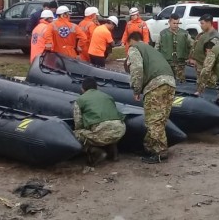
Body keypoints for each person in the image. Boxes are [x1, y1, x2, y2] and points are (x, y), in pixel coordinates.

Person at [127, 31, 176, 164]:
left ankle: (160, 152)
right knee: (160, 119)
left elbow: (136, 69)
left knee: (152, 121)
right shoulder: (151, 49)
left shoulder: (134, 48)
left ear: (131, 40)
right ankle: (149, 148)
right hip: (170, 82)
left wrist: (136, 89)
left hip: (155, 85)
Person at [73, 76, 126, 165]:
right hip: (120, 130)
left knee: (77, 133)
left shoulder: (79, 100)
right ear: (97, 87)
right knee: (110, 126)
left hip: (102, 133)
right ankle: (114, 153)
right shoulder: (107, 96)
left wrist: (84, 130)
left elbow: (78, 123)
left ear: (82, 89)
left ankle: (98, 153)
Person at [155, 13, 193, 83]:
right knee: (167, 83)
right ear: (169, 22)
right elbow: (157, 48)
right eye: (174, 23)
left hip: (180, 64)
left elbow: (192, 45)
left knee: (181, 84)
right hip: (167, 64)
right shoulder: (162, 34)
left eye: (177, 23)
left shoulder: (185, 34)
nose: (176, 25)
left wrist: (190, 57)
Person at [189, 14, 219, 79]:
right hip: (199, 66)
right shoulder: (202, 34)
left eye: (202, 23)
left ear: (209, 23)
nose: (201, 25)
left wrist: (206, 70)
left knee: (206, 87)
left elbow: (211, 56)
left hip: (206, 69)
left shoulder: (213, 37)